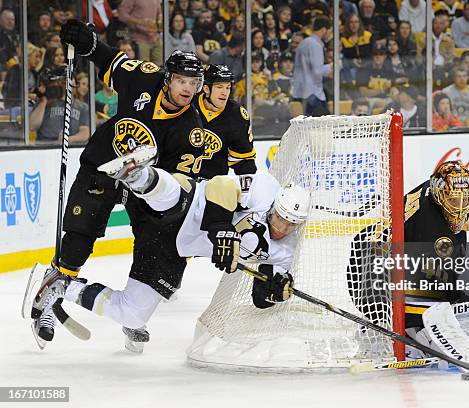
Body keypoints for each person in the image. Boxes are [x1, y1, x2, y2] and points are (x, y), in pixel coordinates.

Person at [27, 20, 253, 348]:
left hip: (143, 183)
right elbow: (107, 58)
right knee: (80, 234)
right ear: (167, 79)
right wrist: (87, 41)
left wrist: (152, 189)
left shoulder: (192, 130)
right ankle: (50, 295)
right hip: (105, 164)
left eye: (194, 82)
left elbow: (178, 183)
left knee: (154, 239)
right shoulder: (142, 77)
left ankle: (132, 310)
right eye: (181, 81)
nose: (187, 89)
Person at [60, 146, 307, 352]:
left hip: (172, 248)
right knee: (175, 195)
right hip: (190, 207)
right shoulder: (266, 188)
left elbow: (259, 297)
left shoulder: (286, 250)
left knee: (132, 314)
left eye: (292, 225)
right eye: (280, 218)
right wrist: (221, 228)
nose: (284, 228)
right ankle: (137, 174)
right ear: (275, 206)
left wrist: (274, 293)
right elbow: (220, 185)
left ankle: (62, 286)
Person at [347, 161, 469, 360]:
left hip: (369, 253)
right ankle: (400, 342)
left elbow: (457, 212)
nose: (460, 206)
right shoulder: (434, 234)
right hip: (371, 277)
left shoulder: (431, 188)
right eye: (454, 200)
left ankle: (384, 328)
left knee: (447, 293)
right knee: (432, 309)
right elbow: (439, 287)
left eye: (466, 199)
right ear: (440, 194)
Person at [292, 16, 332, 117]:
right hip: (313, 94)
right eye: (329, 31)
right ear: (323, 30)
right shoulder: (315, 44)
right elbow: (317, 70)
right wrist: (332, 66)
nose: (329, 34)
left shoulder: (305, 42)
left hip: (303, 92)